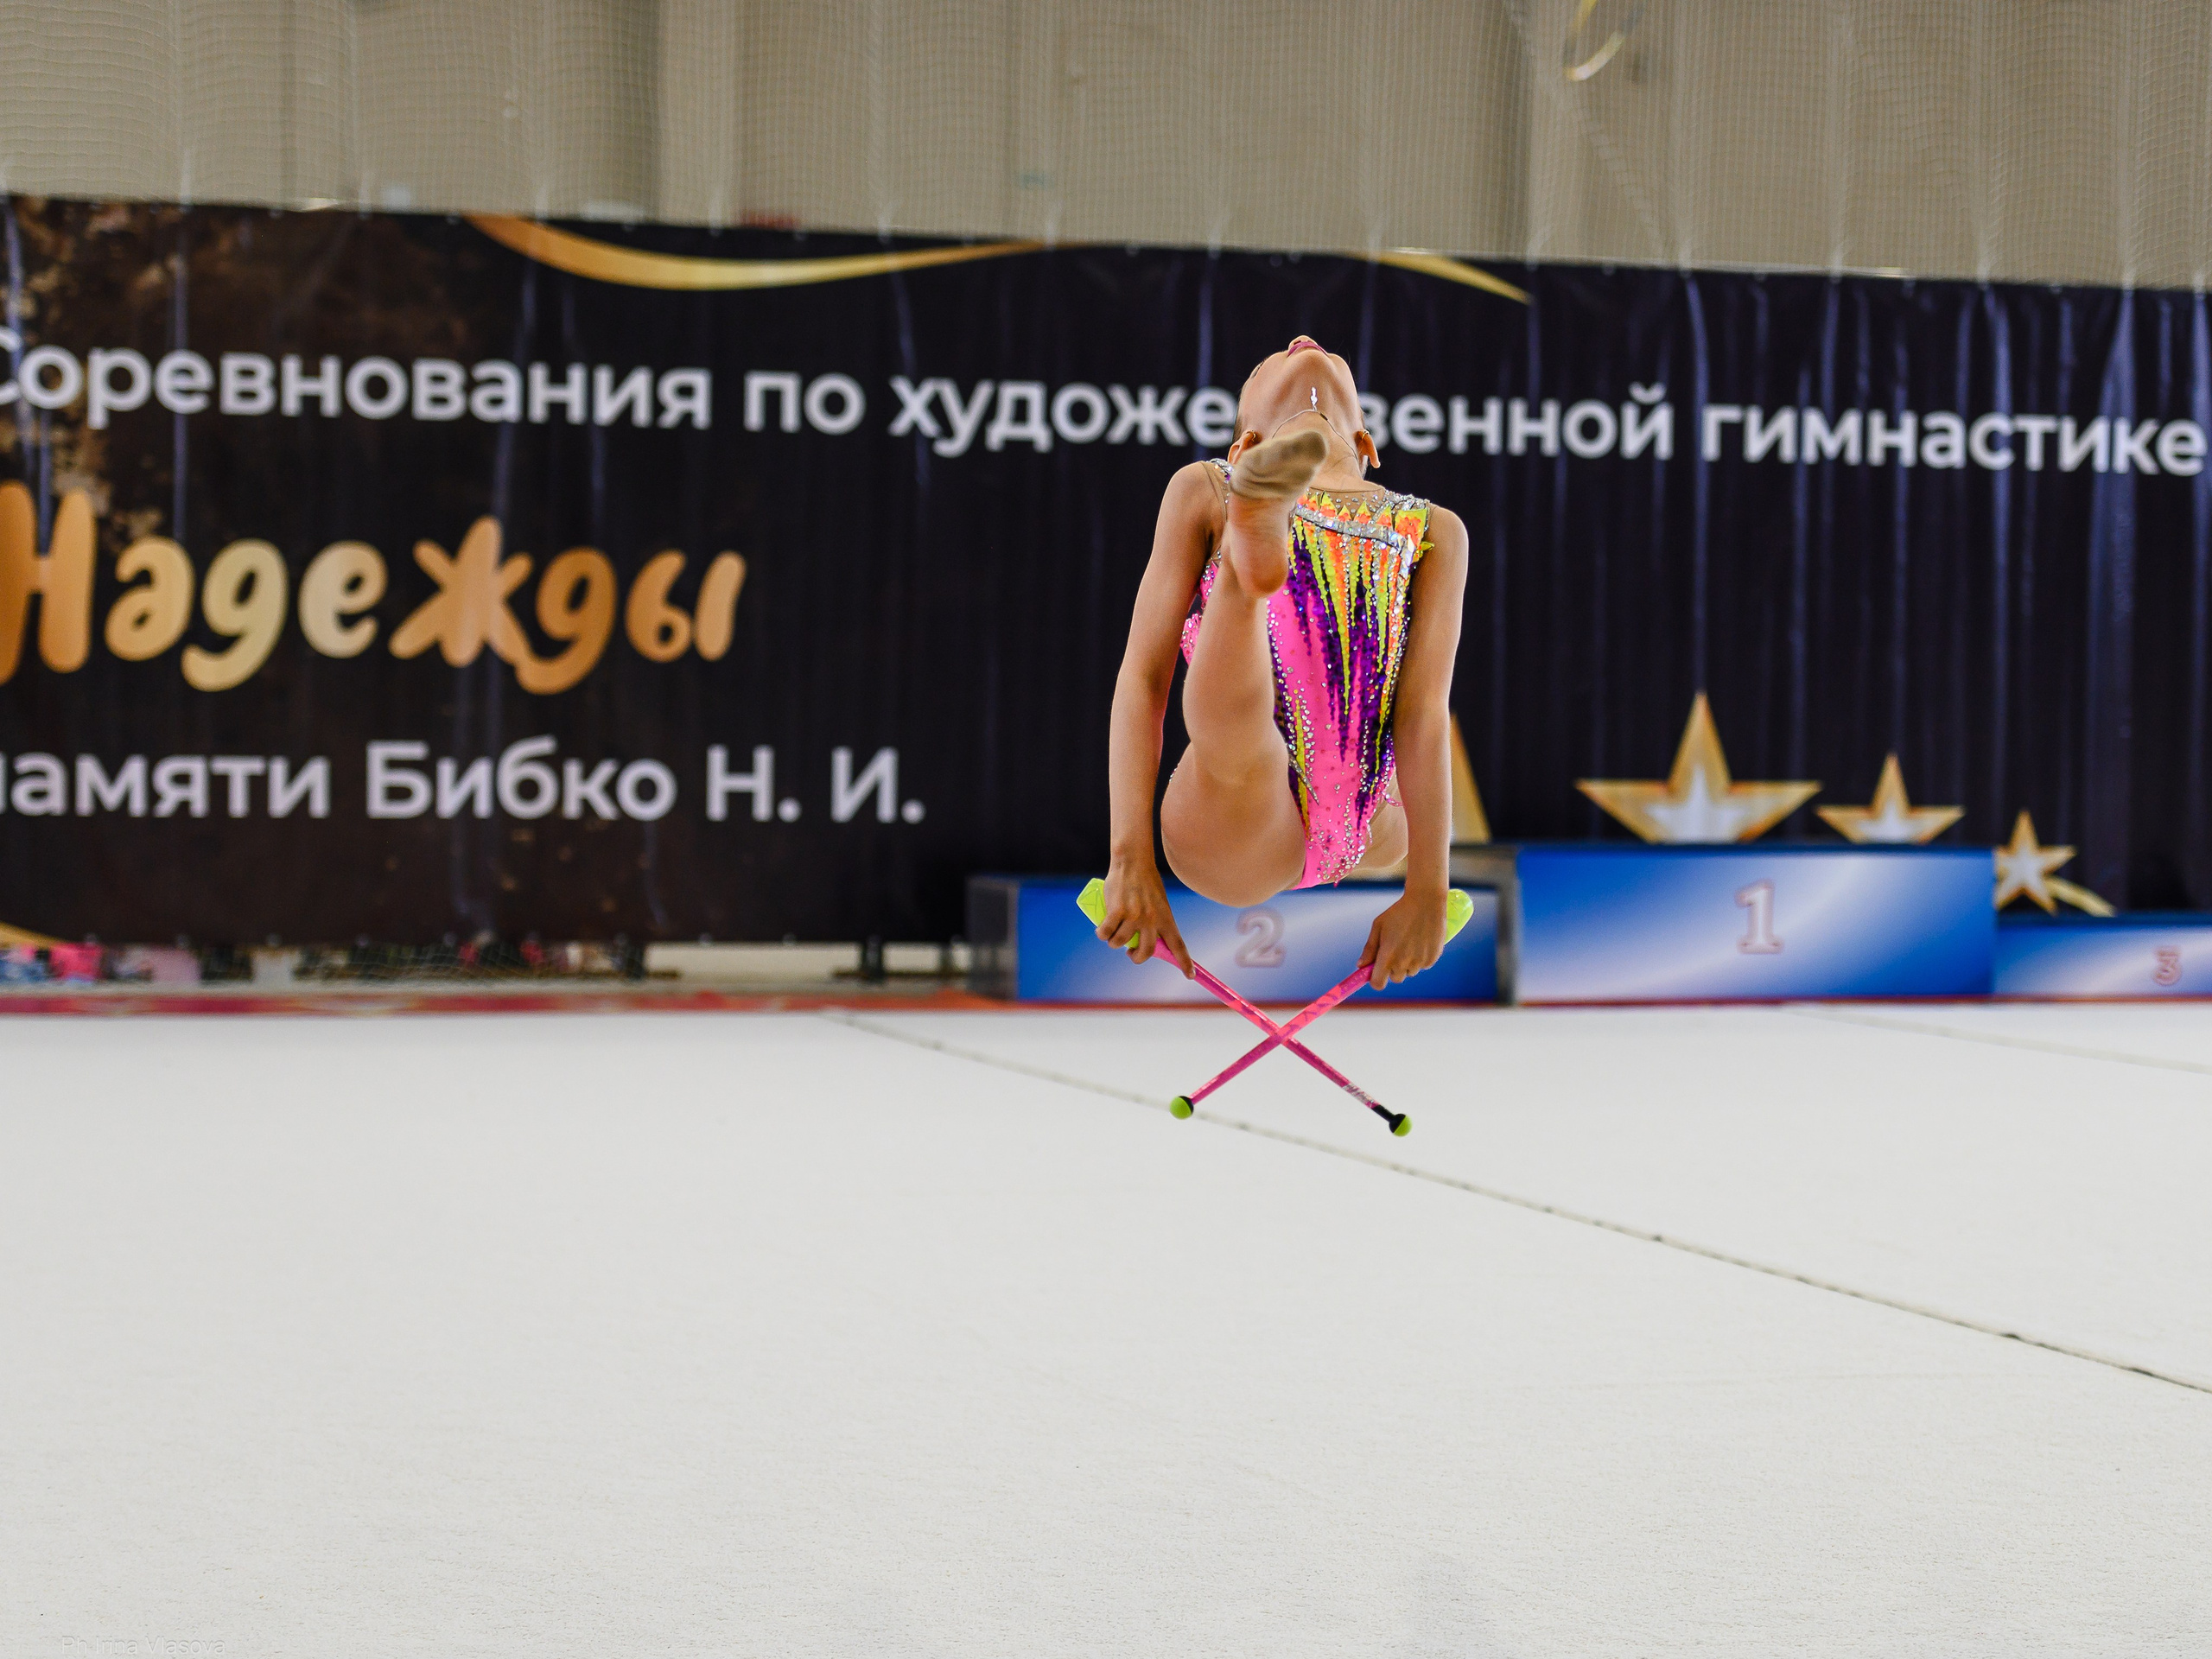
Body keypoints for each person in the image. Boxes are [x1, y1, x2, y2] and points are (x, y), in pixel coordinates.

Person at [1098, 335, 1469, 990]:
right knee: (1248, 753)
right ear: (1243, 449)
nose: (1304, 345)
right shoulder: (1205, 488)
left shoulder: (1435, 529)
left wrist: (1429, 888)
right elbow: (1142, 677)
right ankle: (1245, 575)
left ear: (1366, 446)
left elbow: (1423, 715)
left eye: (1329, 359)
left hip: (1368, 820)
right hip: (1239, 825)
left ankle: (1248, 570)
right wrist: (1129, 854)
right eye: (1269, 364)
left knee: (1383, 802)